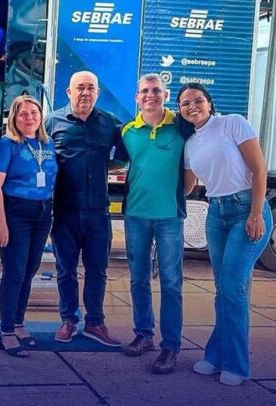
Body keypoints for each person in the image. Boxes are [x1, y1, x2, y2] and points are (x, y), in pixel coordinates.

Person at [179, 83, 272, 386]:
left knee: (233, 286)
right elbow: (188, 186)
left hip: (247, 209)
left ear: (209, 102)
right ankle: (216, 355)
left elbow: (259, 169)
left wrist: (256, 212)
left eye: (198, 100)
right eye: (185, 104)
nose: (192, 106)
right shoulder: (191, 144)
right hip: (216, 213)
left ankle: (236, 364)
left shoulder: (232, 123)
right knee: (225, 288)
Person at [44, 70, 123, 347]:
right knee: (65, 269)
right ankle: (68, 319)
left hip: (98, 212)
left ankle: (95, 323)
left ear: (97, 93)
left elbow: (122, 159)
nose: (85, 93)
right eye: (80, 88)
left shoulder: (111, 124)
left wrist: (100, 169)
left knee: (97, 270)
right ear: (69, 92)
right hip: (65, 211)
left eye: (91, 88)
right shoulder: (52, 122)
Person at [118, 74, 185, 373]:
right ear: (137, 97)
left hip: (170, 217)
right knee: (138, 279)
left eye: (156, 90)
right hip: (136, 215)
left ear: (165, 94)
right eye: (144, 91)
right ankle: (143, 335)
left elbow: (192, 167)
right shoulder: (127, 132)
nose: (150, 95)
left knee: (171, 283)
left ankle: (170, 347)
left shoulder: (181, 126)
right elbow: (120, 166)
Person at [0, 95, 57, 358]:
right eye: (23, 113)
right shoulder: (7, 145)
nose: (29, 117)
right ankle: (6, 331)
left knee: (30, 270)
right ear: (14, 118)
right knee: (15, 271)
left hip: (42, 212)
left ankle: (18, 323)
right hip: (15, 212)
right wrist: (1, 224)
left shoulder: (47, 143)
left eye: (34, 113)